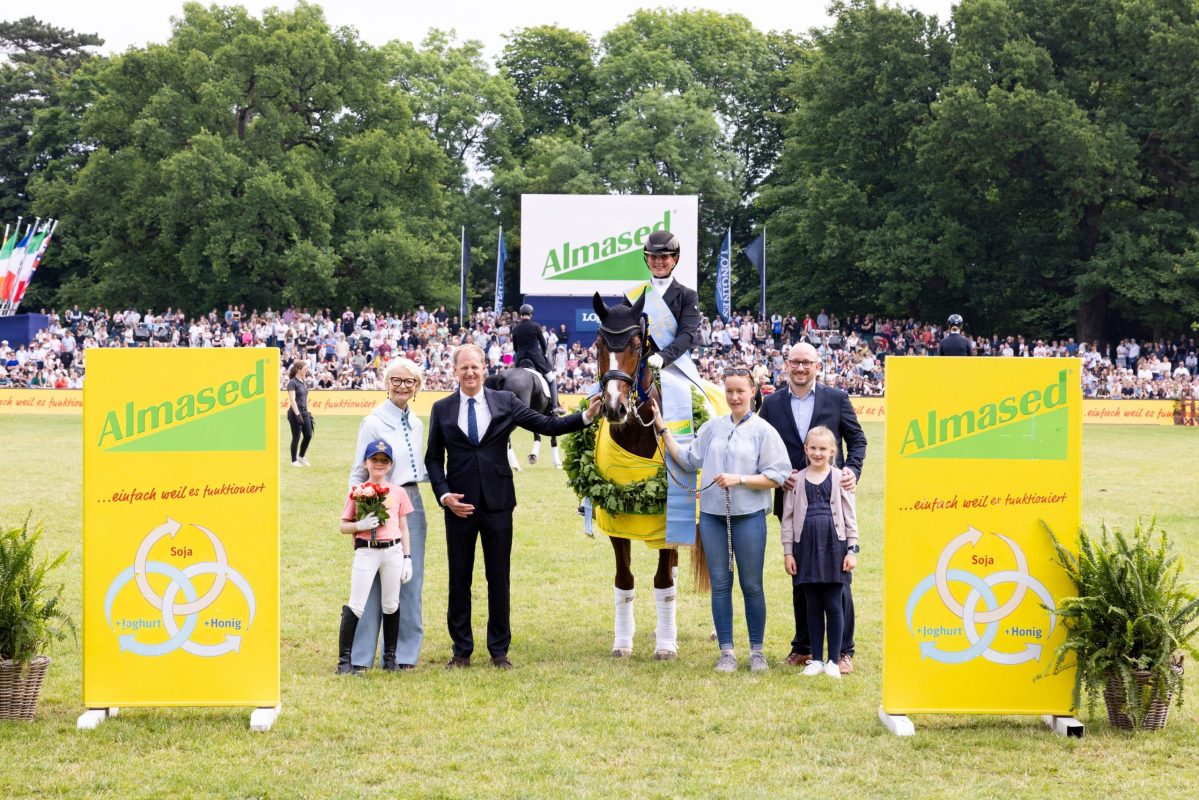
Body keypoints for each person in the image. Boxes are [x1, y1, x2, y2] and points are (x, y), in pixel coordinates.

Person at [425, 344, 601, 669]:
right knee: (459, 578)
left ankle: (498, 650)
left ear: (484, 368)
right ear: (455, 371)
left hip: (498, 503)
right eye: (464, 367)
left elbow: (547, 425)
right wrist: (444, 495)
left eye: (475, 366)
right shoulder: (442, 408)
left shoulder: (505, 401)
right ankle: (461, 651)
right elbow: (433, 459)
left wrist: (587, 416)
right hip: (458, 505)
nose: (470, 372)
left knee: (499, 578)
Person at [652, 368, 791, 673]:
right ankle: (726, 651)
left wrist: (739, 479)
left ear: (753, 391)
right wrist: (662, 429)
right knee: (720, 584)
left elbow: (778, 476)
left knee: (752, 585)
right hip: (712, 518)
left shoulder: (764, 431)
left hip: (749, 518)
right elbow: (688, 459)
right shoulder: (712, 428)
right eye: (729, 391)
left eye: (740, 391)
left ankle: (757, 652)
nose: (734, 397)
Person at [758, 341, 866, 674]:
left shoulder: (837, 398)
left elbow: (857, 439)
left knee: (839, 582)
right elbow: (761, 445)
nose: (801, 368)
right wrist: (778, 475)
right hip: (793, 501)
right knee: (801, 578)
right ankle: (804, 646)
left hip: (832, 504)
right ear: (786, 365)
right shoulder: (772, 403)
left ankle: (843, 651)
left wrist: (852, 470)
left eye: (807, 362)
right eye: (795, 362)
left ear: (817, 365)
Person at [347, 358, 430, 670]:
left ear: (417, 387)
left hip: (410, 500)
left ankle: (403, 655)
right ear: (387, 383)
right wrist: (357, 516)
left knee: (409, 578)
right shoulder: (373, 421)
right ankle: (360, 657)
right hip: (378, 501)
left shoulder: (417, 423)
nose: (402, 386)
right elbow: (358, 472)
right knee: (371, 579)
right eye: (396, 380)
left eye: (409, 381)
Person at [780, 426, 859, 679]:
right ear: (805, 449)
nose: (817, 453)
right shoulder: (796, 480)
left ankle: (834, 660)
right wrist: (789, 552)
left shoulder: (840, 478)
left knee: (834, 605)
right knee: (812, 605)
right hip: (805, 549)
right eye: (813, 448)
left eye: (823, 449)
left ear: (832, 451)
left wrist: (852, 550)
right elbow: (788, 519)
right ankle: (815, 660)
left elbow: (850, 516)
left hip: (834, 547)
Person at [336, 440, 414, 674]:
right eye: (374, 460)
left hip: (393, 551)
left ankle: (390, 659)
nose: (379, 464)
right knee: (356, 604)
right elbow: (343, 526)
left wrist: (407, 557)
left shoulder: (398, 492)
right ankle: (344, 662)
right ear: (366, 463)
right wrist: (359, 525)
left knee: (391, 603)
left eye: (384, 460)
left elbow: (403, 527)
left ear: (390, 465)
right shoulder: (358, 491)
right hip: (367, 550)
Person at [623, 229, 700, 369]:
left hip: (675, 365)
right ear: (647, 259)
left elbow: (686, 335)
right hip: (638, 366)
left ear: (674, 259)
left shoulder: (688, 296)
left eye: (664, 257)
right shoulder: (633, 295)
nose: (658, 262)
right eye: (653, 257)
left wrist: (663, 356)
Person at [511, 303, 559, 411]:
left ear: (520, 314)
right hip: (535, 357)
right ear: (531, 315)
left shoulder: (515, 328)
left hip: (520, 358)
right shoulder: (536, 326)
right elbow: (543, 344)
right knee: (551, 379)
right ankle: (555, 407)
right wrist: (543, 354)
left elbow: (515, 348)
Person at [286, 361, 313, 467]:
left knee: (308, 435)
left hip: (304, 412)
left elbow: (304, 398)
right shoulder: (292, 383)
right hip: (295, 413)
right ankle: (294, 461)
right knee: (296, 437)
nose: (306, 371)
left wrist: (308, 411)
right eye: (305, 369)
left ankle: (301, 456)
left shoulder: (303, 381)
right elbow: (292, 400)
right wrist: (298, 415)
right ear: (298, 369)